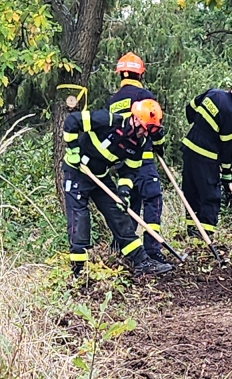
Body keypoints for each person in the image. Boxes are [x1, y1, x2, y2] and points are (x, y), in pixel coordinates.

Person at [62, 98, 175, 278]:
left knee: (119, 215)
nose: (145, 134)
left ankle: (141, 261)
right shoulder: (107, 120)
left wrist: (124, 192)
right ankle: (79, 270)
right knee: (80, 218)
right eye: (145, 128)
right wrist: (73, 150)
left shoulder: (137, 144)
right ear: (136, 119)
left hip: (99, 176)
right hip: (77, 171)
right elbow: (71, 121)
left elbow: (130, 171)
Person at [107, 53, 172, 261]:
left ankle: (123, 249)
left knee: (130, 203)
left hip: (121, 161)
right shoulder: (144, 95)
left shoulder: (113, 101)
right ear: (140, 74)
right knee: (152, 199)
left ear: (121, 75)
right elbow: (153, 126)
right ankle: (152, 250)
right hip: (143, 158)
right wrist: (160, 147)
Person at [181, 74, 232, 234]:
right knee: (210, 197)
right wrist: (226, 174)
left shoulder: (213, 93)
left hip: (189, 151)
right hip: (207, 158)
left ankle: (192, 231)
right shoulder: (231, 114)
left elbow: (190, 108)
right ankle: (205, 236)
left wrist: (200, 126)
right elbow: (227, 148)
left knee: (192, 193)